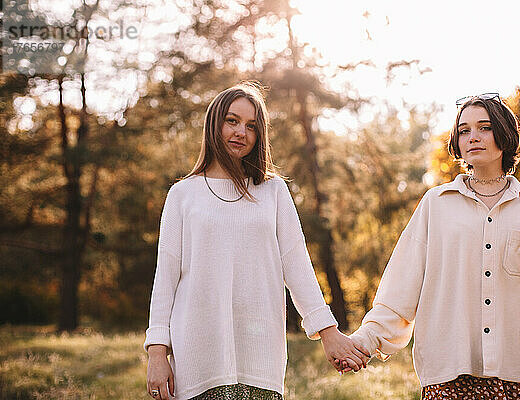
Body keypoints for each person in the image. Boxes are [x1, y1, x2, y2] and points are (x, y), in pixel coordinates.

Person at [341, 93, 520, 399]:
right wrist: (365, 341)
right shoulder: (436, 204)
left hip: (518, 378)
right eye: (464, 130)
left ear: (504, 134)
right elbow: (401, 285)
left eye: (484, 128)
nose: (473, 137)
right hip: (448, 376)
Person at [144, 81, 368, 400]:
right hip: (197, 359)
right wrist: (156, 352)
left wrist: (328, 333)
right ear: (214, 123)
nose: (241, 132)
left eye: (251, 126)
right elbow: (165, 279)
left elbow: (297, 266)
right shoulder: (183, 195)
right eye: (232, 121)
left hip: (260, 361)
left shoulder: (273, 192)